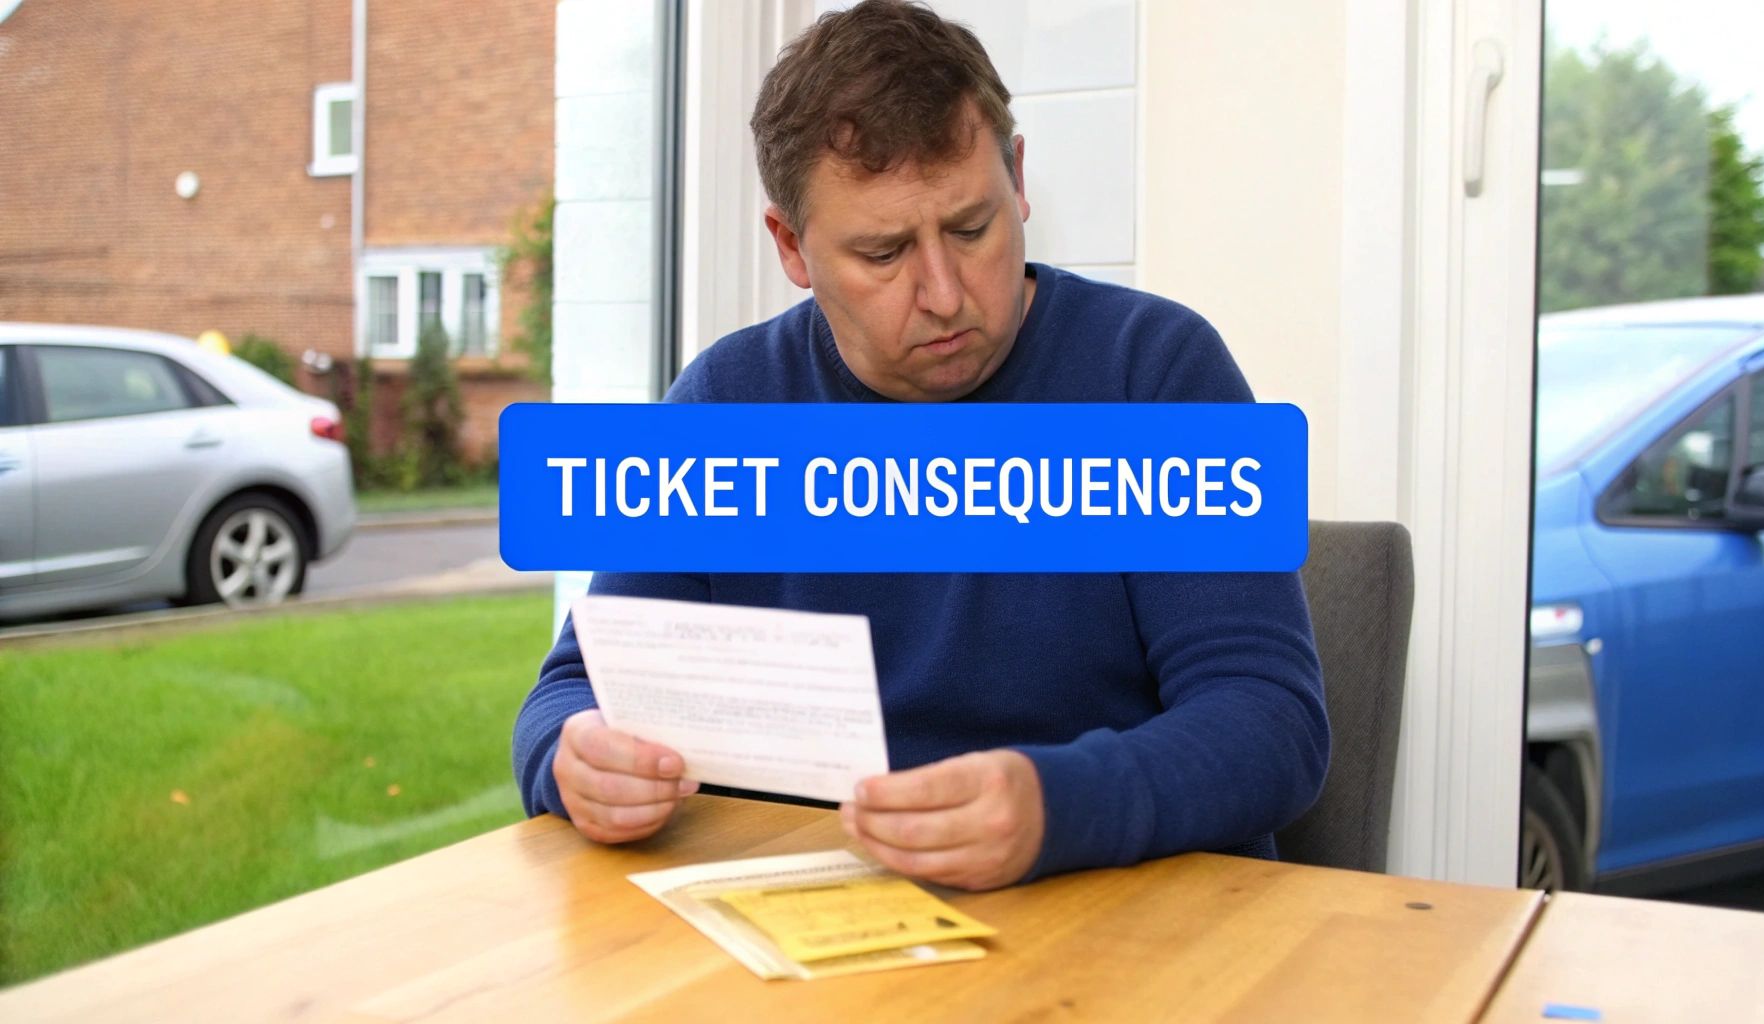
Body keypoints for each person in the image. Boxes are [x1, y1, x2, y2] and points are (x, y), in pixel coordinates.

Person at [512, 0, 1328, 892]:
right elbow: (570, 692)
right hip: (824, 930)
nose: (945, 293)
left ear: (1018, 177)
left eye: (972, 229)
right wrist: (574, 759)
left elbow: (1272, 721)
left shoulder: (1155, 372)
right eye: (885, 251)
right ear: (791, 245)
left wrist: (1061, 804)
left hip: (1121, 921)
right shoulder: (724, 409)